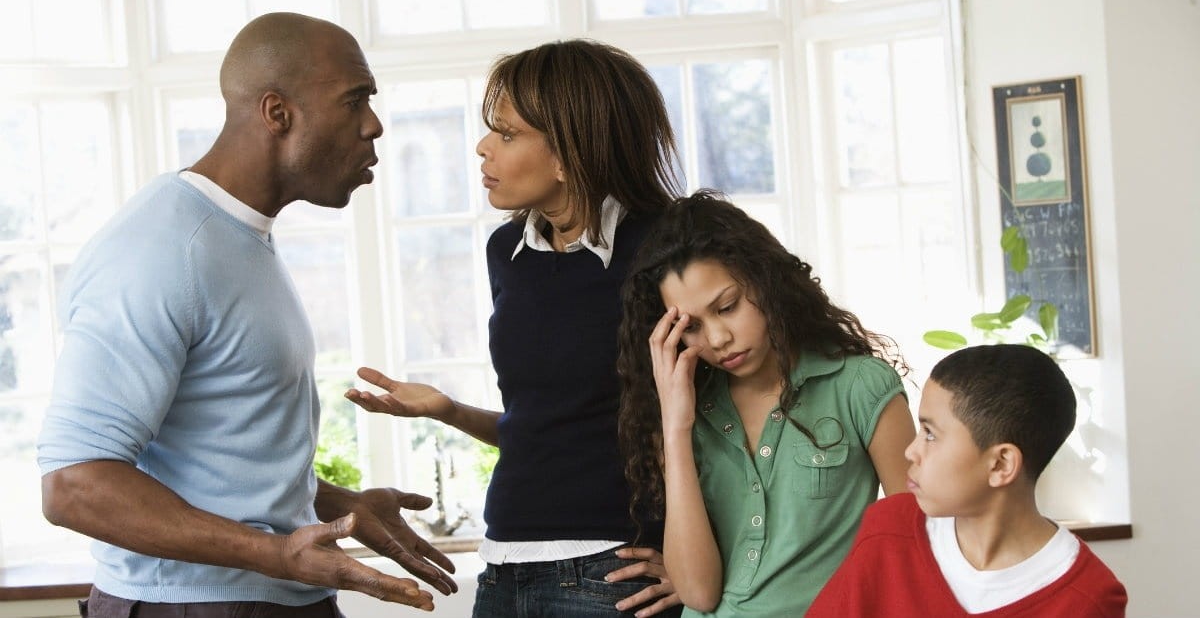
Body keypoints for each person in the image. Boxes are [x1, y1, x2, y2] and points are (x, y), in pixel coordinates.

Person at [37, 12, 459, 617]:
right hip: (190, 605)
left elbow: (222, 462)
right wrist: (277, 554)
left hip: (271, 598)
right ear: (277, 112)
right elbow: (74, 484)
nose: (375, 125)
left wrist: (338, 506)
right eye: (354, 100)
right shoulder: (160, 247)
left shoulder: (235, 236)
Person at [344, 39, 684, 617]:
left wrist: (700, 556)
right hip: (504, 565)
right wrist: (448, 411)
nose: (482, 148)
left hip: (615, 568)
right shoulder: (509, 251)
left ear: (569, 152)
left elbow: (734, 419)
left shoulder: (668, 246)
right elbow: (550, 429)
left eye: (505, 134)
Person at [615, 190, 916, 616]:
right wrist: (675, 425)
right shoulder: (687, 414)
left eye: (728, 307)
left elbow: (921, 543)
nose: (718, 339)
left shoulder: (860, 386)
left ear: (766, 280)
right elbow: (699, 594)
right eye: (691, 326)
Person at [807, 344, 1127, 617]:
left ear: (1001, 464)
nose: (911, 451)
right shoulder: (888, 529)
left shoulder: (1089, 598)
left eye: (930, 434)